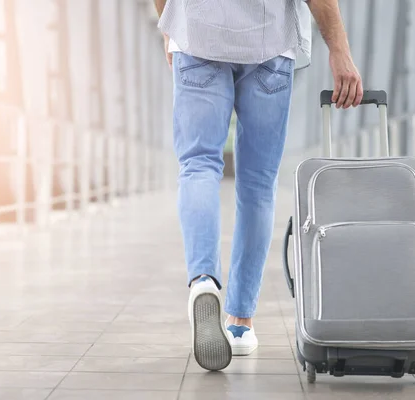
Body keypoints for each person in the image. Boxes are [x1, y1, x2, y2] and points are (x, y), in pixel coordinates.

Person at [154, 0, 363, 371]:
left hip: (196, 33)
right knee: (258, 184)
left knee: (198, 166)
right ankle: (240, 323)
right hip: (269, 43)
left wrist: (170, 25)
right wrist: (339, 50)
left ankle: (203, 280)